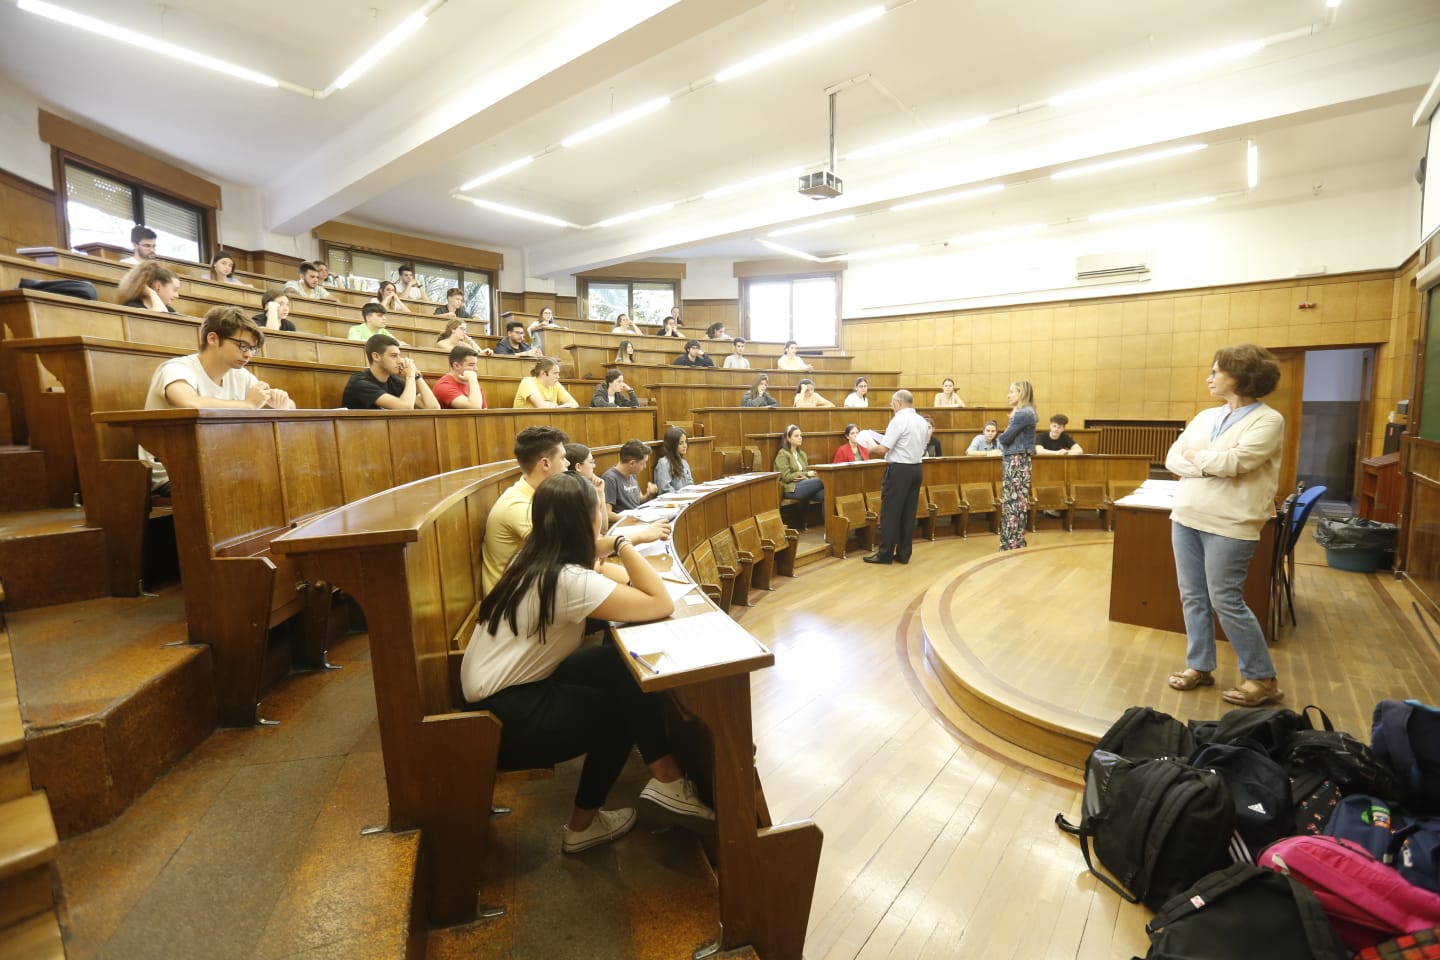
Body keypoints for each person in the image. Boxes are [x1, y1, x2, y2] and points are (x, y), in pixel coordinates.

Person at [462, 472, 713, 854]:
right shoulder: (568, 580)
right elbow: (660, 603)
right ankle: (582, 827)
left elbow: (604, 572)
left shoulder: (533, 554)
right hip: (505, 720)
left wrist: (607, 545)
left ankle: (667, 779)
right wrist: (624, 541)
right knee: (618, 715)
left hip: (494, 698)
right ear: (589, 520)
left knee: (619, 665)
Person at [1165, 345, 1286, 708]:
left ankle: (1262, 677)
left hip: (1231, 522)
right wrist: (1209, 463)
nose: (1210, 377)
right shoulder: (1205, 417)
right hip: (1186, 515)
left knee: (1226, 599)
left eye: (1216, 371)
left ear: (1240, 376)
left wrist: (1198, 460)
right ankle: (1199, 665)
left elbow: (1239, 462)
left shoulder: (1268, 420)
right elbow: (1174, 456)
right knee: (1192, 596)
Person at [141, 306, 295, 491]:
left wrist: (282, 403)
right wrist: (248, 404)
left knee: (285, 471)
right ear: (213, 338)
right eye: (242, 345)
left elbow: (286, 407)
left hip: (220, 464)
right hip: (171, 470)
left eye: (253, 348)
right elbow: (188, 402)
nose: (248, 354)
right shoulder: (176, 368)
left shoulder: (241, 375)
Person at [482, 426, 572, 592]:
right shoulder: (517, 505)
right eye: (563, 458)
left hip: (530, 589)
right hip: (509, 602)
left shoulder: (541, 494)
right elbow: (565, 553)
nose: (568, 464)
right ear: (545, 463)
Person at [861, 391, 928, 565]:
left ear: (897, 402)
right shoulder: (921, 421)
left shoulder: (898, 420)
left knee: (890, 513)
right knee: (908, 513)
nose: (891, 407)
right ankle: (904, 553)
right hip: (916, 469)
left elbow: (883, 449)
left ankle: (885, 554)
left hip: (899, 470)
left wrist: (870, 449)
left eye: (892, 404)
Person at [341, 333, 440, 410]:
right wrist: (410, 375)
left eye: (399, 355)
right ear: (376, 356)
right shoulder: (360, 383)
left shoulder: (394, 381)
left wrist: (417, 377)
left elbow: (434, 408)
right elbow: (406, 407)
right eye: (394, 355)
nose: (400, 360)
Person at [995, 380, 1037, 551]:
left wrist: (1001, 439)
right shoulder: (1027, 412)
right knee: (1018, 504)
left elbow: (1004, 438)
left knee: (1012, 504)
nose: (1008, 394)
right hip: (1020, 460)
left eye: (1012, 391)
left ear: (1021, 393)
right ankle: (1016, 542)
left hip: (1016, 461)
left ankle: (1010, 544)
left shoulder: (1023, 414)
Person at [773, 425, 824, 526]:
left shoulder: (802, 454)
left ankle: (829, 530)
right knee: (821, 480)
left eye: (801, 435)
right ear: (788, 438)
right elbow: (786, 477)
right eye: (796, 436)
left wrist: (807, 476)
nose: (800, 438)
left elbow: (805, 473)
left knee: (826, 494)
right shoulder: (783, 454)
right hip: (790, 488)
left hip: (804, 485)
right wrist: (805, 474)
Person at [602, 439, 658, 513]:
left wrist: (649, 495)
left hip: (637, 517)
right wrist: (634, 517)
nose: (645, 467)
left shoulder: (632, 474)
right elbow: (608, 514)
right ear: (632, 463)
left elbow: (639, 500)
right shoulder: (610, 478)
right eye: (643, 463)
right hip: (626, 521)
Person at [431, 344, 487, 409]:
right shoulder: (443, 386)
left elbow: (484, 412)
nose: (476, 369)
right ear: (456, 365)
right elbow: (475, 408)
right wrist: (473, 380)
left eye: (475, 365)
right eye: (471, 365)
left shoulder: (473, 384)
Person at [514, 357, 578, 408]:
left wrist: (557, 407)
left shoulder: (556, 384)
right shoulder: (528, 382)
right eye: (555, 373)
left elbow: (574, 404)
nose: (558, 377)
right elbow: (541, 406)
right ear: (543, 373)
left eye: (558, 373)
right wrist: (557, 406)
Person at [653, 426, 692, 492]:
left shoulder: (684, 462)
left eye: (685, 442)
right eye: (680, 443)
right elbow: (665, 489)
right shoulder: (663, 463)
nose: (685, 446)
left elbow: (690, 483)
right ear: (672, 445)